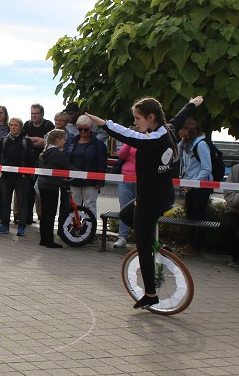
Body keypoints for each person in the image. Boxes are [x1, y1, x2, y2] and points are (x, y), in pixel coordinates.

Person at [86, 95, 202, 309]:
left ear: (151, 117)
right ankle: (154, 242)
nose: (136, 122)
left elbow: (125, 134)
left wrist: (103, 123)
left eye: (138, 118)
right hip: (162, 197)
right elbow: (181, 115)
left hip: (150, 202)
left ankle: (150, 293)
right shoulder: (169, 130)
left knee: (143, 248)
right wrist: (193, 104)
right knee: (125, 215)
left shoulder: (151, 140)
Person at [177, 118, 213, 255]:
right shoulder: (186, 143)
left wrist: (194, 184)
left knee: (198, 216)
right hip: (189, 184)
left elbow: (206, 168)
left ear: (188, 131)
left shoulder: (201, 145)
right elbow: (176, 156)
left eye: (182, 129)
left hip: (200, 187)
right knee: (191, 215)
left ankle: (196, 246)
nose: (180, 132)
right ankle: (191, 243)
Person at [65, 115, 107, 217]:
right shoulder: (72, 142)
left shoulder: (98, 144)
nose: (83, 131)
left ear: (91, 128)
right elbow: (68, 160)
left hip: (91, 181)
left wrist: (100, 181)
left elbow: (102, 163)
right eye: (80, 129)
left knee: (90, 206)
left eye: (85, 129)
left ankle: (89, 230)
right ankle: (75, 228)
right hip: (74, 180)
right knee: (74, 205)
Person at [0, 117, 33, 236]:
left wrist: (25, 174)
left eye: (15, 125)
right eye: (11, 125)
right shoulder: (4, 140)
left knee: (22, 201)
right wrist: (0, 171)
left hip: (20, 177)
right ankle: (5, 225)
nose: (13, 127)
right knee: (5, 201)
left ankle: (21, 226)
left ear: (21, 127)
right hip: (6, 177)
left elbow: (30, 160)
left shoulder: (26, 141)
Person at [37, 129, 70, 249]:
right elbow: (67, 167)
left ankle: (43, 238)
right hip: (52, 185)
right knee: (50, 213)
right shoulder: (57, 153)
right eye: (64, 140)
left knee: (45, 213)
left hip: (42, 184)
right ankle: (49, 240)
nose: (65, 142)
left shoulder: (45, 152)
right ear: (57, 140)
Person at [113, 139, 137, 249]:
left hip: (142, 179)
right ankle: (122, 236)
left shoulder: (149, 139)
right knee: (124, 207)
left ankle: (140, 237)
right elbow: (121, 155)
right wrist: (129, 141)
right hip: (126, 177)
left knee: (140, 209)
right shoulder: (131, 139)